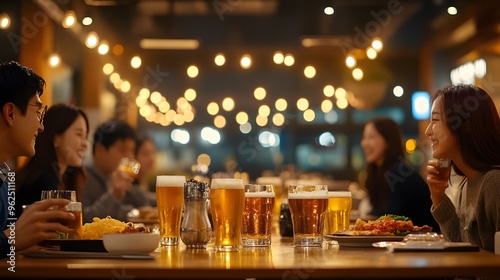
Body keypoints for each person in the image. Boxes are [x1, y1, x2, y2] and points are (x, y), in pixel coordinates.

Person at [0, 61, 75, 258]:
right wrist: (11, 239)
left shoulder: (4, 175)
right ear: (10, 113)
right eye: (38, 112)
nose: (41, 127)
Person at [426, 84, 500, 253]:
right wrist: (438, 197)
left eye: (435, 120)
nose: (427, 131)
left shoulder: (493, 183)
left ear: (465, 125)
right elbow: (459, 248)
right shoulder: (468, 183)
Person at [361, 116, 439, 230]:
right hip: (406, 242)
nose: (365, 143)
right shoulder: (380, 173)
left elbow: (390, 219)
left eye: (371, 137)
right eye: (364, 137)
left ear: (388, 141)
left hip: (427, 241)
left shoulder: (398, 173)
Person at [15, 103, 89, 218]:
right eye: (79, 134)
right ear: (55, 139)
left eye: (86, 136)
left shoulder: (64, 179)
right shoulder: (42, 184)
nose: (85, 144)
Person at [82, 118, 156, 223]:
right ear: (100, 150)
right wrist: (114, 195)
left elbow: (140, 197)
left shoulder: (111, 177)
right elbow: (85, 219)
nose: (130, 156)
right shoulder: (82, 177)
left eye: (131, 151)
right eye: (122, 150)